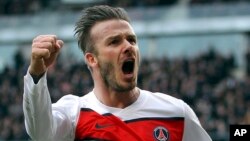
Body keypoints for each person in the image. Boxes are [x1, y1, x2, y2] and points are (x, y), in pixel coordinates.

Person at [23, 5, 212, 141]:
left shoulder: (175, 112)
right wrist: (36, 73)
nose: (128, 46)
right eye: (114, 42)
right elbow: (40, 133)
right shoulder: (75, 113)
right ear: (92, 59)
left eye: (132, 40)